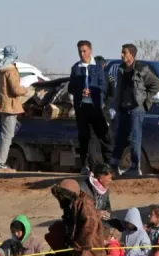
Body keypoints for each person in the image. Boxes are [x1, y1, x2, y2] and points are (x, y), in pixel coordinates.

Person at [111, 43, 159, 176]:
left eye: (124, 53)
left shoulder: (142, 69)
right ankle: (113, 165)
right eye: (122, 52)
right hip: (123, 108)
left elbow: (157, 84)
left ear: (131, 55)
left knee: (134, 138)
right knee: (120, 137)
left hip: (136, 109)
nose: (122, 55)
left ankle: (135, 166)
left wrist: (146, 101)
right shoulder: (121, 69)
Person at [69, 40, 112, 173]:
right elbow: (70, 87)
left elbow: (103, 87)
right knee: (85, 137)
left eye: (84, 51)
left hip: (96, 107)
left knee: (104, 136)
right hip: (82, 108)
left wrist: (92, 91)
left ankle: (109, 165)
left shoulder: (98, 67)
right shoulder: (76, 68)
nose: (82, 54)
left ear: (90, 51)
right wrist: (80, 89)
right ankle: (87, 166)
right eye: (80, 52)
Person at [0, 45, 28, 171]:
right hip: (9, 107)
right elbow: (15, 90)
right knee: (7, 136)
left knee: (0, 135)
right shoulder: (11, 70)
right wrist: (27, 90)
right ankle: (1, 164)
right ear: (14, 55)